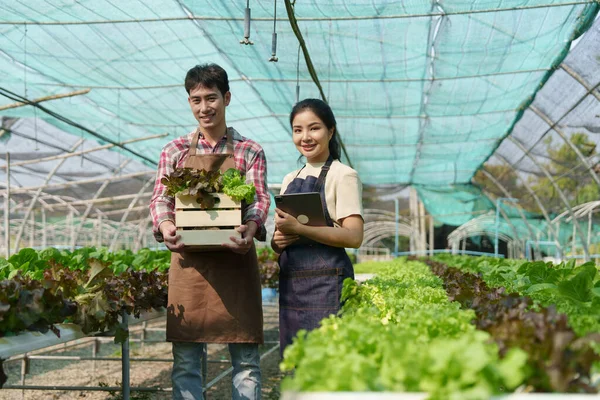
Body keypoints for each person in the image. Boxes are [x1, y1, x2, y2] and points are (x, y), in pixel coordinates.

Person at [149, 63, 270, 400]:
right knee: (186, 361)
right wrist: (167, 224)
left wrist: (251, 226)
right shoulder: (173, 151)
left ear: (227, 98)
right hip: (190, 266)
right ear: (189, 102)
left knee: (245, 361)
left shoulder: (250, 151)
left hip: (235, 262)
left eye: (211, 97)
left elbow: (259, 197)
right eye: (196, 99)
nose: (204, 107)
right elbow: (160, 197)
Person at [271, 98, 364, 354]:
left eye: (314, 128)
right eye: (298, 130)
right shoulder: (291, 178)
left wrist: (300, 229)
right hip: (293, 284)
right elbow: (280, 234)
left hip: (327, 285)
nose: (306, 137)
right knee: (297, 360)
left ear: (330, 130)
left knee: (326, 360)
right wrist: (277, 241)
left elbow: (354, 236)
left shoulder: (342, 175)